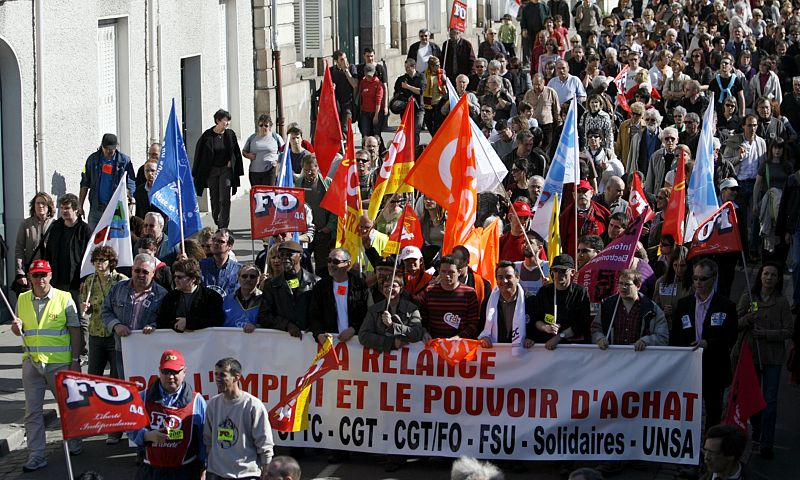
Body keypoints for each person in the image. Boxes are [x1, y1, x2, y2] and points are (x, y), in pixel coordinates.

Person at [11, 259, 83, 471]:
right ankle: (36, 455)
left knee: (68, 407)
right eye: (36, 275)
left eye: (43, 275)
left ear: (50, 276)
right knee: (32, 412)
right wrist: (16, 327)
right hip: (32, 363)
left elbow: (75, 330)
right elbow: (19, 331)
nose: (40, 279)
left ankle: (75, 441)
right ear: (30, 278)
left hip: (59, 364)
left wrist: (76, 360)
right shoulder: (22, 299)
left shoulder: (64, 298)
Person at [670, 259, 738, 431]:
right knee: (687, 411)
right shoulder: (684, 304)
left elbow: (731, 337)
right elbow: (676, 336)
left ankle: (709, 447)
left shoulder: (726, 305)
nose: (698, 282)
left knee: (713, 412)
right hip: (689, 368)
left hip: (715, 368)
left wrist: (708, 343)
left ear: (713, 278)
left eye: (703, 279)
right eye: (695, 278)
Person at [735, 262, 793, 459]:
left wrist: (767, 334)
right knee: (752, 398)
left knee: (770, 401)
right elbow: (734, 322)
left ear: (778, 279)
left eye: (773, 275)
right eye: (766, 274)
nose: (769, 278)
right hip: (751, 355)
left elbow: (788, 331)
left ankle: (767, 442)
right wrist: (747, 320)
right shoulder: (749, 298)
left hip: (772, 358)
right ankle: (756, 433)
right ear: (760, 276)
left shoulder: (782, 303)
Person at [128, 349, 207, 479]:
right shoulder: (143, 398)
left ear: (184, 372)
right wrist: (147, 436)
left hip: (185, 471)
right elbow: (131, 429)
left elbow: (204, 439)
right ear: (159, 371)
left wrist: (204, 467)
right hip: (152, 471)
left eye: (175, 372)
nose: (170, 376)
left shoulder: (197, 401)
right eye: (166, 372)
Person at [79, 246, 128, 442]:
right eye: (97, 260)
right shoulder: (89, 282)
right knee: (94, 380)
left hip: (114, 336)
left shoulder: (120, 282)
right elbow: (86, 310)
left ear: (110, 262)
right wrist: (85, 308)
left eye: (103, 260)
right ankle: (98, 419)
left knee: (115, 382)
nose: (100, 264)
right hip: (96, 335)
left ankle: (115, 430)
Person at [204, 357, 273, 479]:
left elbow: (264, 441)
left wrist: (266, 467)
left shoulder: (253, 405)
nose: (218, 379)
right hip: (217, 473)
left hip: (246, 474)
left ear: (236, 377)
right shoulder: (213, 404)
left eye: (223, 375)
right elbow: (208, 440)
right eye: (216, 374)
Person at [102, 253, 168, 377]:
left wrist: (154, 326)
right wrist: (116, 325)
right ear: (132, 270)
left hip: (149, 351)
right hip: (122, 349)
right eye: (137, 270)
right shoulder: (118, 289)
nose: (141, 274)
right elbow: (105, 310)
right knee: (125, 387)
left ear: (153, 272)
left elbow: (166, 320)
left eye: (145, 271)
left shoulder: (162, 295)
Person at [192, 109, 245, 229]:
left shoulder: (230, 135)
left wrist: (232, 162)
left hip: (226, 170)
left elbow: (235, 151)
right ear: (218, 121)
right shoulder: (207, 136)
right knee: (215, 199)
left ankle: (223, 226)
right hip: (212, 171)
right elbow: (200, 155)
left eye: (228, 121)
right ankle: (217, 220)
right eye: (225, 120)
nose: (227, 123)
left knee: (225, 198)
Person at [593, 268, 668, 350]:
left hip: (640, 359)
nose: (623, 287)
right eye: (620, 283)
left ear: (638, 286)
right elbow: (595, 329)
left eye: (627, 284)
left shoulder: (652, 309)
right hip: (612, 358)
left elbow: (663, 337)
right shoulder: (607, 306)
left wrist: (646, 341)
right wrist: (600, 339)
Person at [258, 240, 318, 337]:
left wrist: (313, 325)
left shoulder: (316, 282)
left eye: (290, 254)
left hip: (309, 341)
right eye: (282, 255)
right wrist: (287, 325)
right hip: (282, 341)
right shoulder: (271, 285)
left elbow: (322, 313)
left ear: (300, 256)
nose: (285, 258)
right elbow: (264, 316)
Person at [309, 248, 369, 344]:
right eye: (329, 261)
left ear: (348, 264)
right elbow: (314, 314)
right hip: (330, 341)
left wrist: (354, 329)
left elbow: (366, 313)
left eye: (336, 261)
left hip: (356, 342)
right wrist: (318, 334)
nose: (331, 265)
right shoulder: (321, 286)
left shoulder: (359, 285)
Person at [532, 254, 591, 349]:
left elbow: (582, 323)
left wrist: (559, 336)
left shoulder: (580, 292)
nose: (558, 275)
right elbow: (535, 319)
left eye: (563, 271)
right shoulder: (544, 291)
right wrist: (545, 327)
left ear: (572, 272)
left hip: (572, 346)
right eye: (555, 271)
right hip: (546, 345)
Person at [79, 133, 136, 229]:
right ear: (102, 146)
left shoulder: (124, 161)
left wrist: (130, 200)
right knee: (94, 240)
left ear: (116, 146)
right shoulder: (92, 160)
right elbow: (84, 183)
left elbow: (131, 184)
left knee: (115, 240)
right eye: (106, 148)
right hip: (96, 209)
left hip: (117, 209)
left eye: (111, 148)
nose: (109, 151)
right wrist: (80, 205)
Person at [418, 255, 480, 341]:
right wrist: (424, 333)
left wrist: (458, 337)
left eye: (451, 272)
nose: (447, 275)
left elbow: (473, 324)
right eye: (443, 271)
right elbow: (422, 320)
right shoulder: (429, 292)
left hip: (459, 346)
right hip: (434, 345)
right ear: (439, 271)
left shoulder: (469, 293)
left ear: (459, 272)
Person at [479, 261, 537, 349]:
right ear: (496, 280)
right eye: (500, 277)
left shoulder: (530, 300)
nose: (504, 281)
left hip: (524, 354)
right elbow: (481, 326)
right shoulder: (488, 301)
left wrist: (531, 338)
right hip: (497, 354)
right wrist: (484, 337)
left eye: (508, 277)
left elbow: (536, 325)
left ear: (517, 278)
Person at [359, 273, 423, 352]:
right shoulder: (374, 310)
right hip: (381, 361)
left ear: (401, 289)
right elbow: (363, 336)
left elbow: (417, 333)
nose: (389, 289)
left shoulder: (412, 309)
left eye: (394, 286)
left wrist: (393, 326)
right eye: (386, 286)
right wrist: (390, 343)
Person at [157, 259, 224, 333]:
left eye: (179, 277)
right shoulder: (170, 297)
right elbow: (162, 321)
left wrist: (188, 323)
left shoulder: (211, 297)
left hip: (202, 342)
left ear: (193, 278)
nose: (175, 280)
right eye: (175, 276)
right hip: (175, 342)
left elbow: (216, 321)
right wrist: (175, 324)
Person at [14, 192, 55, 294]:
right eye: (37, 203)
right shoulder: (26, 224)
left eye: (43, 203)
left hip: (49, 273)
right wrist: (20, 272)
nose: (40, 206)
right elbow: (19, 248)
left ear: (49, 206)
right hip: (32, 272)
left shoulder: (55, 225)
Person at [243, 114, 283, 187]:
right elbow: (244, 151)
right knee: (257, 195)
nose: (263, 127)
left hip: (270, 170)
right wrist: (248, 155)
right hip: (254, 171)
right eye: (261, 125)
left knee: (269, 193)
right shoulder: (252, 138)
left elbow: (284, 152)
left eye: (266, 125)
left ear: (270, 126)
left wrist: (277, 162)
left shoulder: (275, 137)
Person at [200, 228, 241, 299]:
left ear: (229, 246)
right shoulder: (200, 265)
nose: (215, 243)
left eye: (221, 241)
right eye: (213, 240)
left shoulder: (239, 270)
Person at [222, 264, 262, 332]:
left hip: (256, 340)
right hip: (229, 341)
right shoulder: (226, 300)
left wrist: (257, 327)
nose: (248, 279)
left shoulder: (265, 300)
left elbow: (269, 323)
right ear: (238, 278)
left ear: (258, 279)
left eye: (252, 276)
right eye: (244, 276)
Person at [357, 63, 385, 139]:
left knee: (376, 135)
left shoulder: (378, 84)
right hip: (365, 112)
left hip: (375, 112)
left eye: (370, 75)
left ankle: (378, 149)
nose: (368, 77)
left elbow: (378, 100)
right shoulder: (363, 83)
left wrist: (376, 115)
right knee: (365, 134)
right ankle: (365, 150)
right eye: (367, 75)